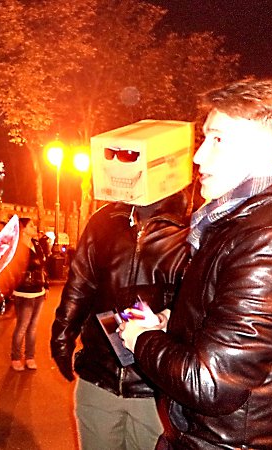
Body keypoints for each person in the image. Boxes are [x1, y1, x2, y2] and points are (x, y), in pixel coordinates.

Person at [120, 77, 272, 449]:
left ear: (269, 147)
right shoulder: (239, 221)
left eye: (217, 139)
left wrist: (142, 339)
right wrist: (172, 325)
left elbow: (212, 383)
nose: (199, 157)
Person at [51, 119, 194, 449]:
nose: (120, 165)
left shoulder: (192, 232)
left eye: (130, 156)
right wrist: (62, 334)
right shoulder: (103, 221)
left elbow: (196, 310)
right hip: (98, 378)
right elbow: (80, 283)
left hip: (155, 389)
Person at [10, 217, 48, 371]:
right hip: (24, 292)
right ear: (23, 229)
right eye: (31, 226)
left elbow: (43, 266)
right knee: (22, 326)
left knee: (33, 327)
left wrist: (46, 286)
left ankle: (30, 357)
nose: (35, 228)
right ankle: (16, 357)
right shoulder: (17, 247)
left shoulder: (37, 244)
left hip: (39, 291)